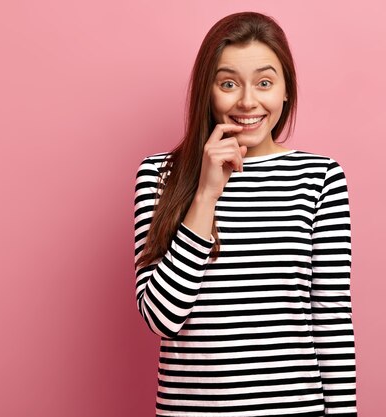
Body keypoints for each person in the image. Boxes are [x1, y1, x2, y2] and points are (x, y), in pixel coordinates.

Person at [134, 11, 357, 416]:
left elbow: (332, 318)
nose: (248, 101)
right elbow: (160, 317)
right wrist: (205, 194)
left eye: (265, 83)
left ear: (286, 91)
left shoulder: (320, 177)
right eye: (229, 83)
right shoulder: (160, 175)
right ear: (208, 90)